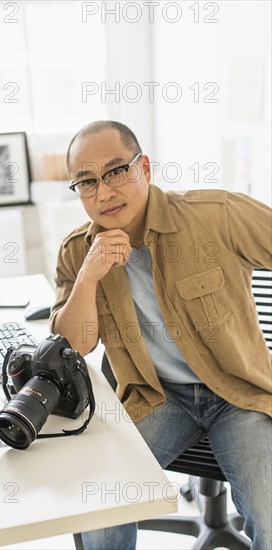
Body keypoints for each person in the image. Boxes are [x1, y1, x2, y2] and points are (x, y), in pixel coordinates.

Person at [49, 120, 272, 550]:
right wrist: (89, 277)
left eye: (116, 172)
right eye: (87, 182)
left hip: (238, 395)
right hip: (154, 397)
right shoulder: (77, 250)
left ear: (144, 168)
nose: (104, 192)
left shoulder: (217, 215)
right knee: (99, 502)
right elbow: (74, 346)